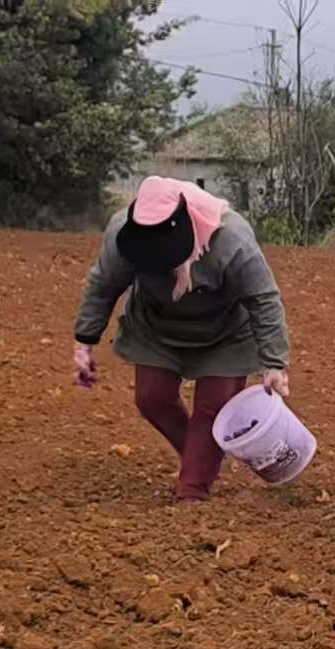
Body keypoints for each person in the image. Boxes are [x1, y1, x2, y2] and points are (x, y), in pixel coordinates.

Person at [73, 176, 291, 502]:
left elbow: (263, 298)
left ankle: (193, 490)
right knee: (151, 397)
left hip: (225, 334)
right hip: (157, 327)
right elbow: (103, 284)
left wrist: (274, 363)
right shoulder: (122, 234)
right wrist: (84, 342)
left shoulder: (230, 238)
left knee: (213, 408)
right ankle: (202, 455)